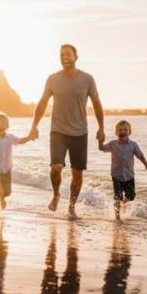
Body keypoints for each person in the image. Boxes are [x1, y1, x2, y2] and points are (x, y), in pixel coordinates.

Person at [28, 44, 105, 219]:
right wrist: (34, 126)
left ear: (76, 57)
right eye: (61, 55)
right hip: (58, 131)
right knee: (56, 168)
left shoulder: (87, 79)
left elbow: (97, 104)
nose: (64, 57)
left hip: (79, 133)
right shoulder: (52, 79)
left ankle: (71, 207)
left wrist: (101, 127)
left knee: (77, 174)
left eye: (68, 54)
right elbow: (41, 103)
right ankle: (56, 194)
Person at [98, 120, 147, 220]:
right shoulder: (113, 144)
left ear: (129, 132)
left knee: (131, 196)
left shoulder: (133, 145)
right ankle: (117, 216)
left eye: (125, 130)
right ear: (116, 132)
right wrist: (100, 141)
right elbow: (102, 148)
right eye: (120, 130)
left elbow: (140, 156)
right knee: (117, 197)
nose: (122, 131)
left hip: (129, 175)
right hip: (116, 176)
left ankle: (124, 202)